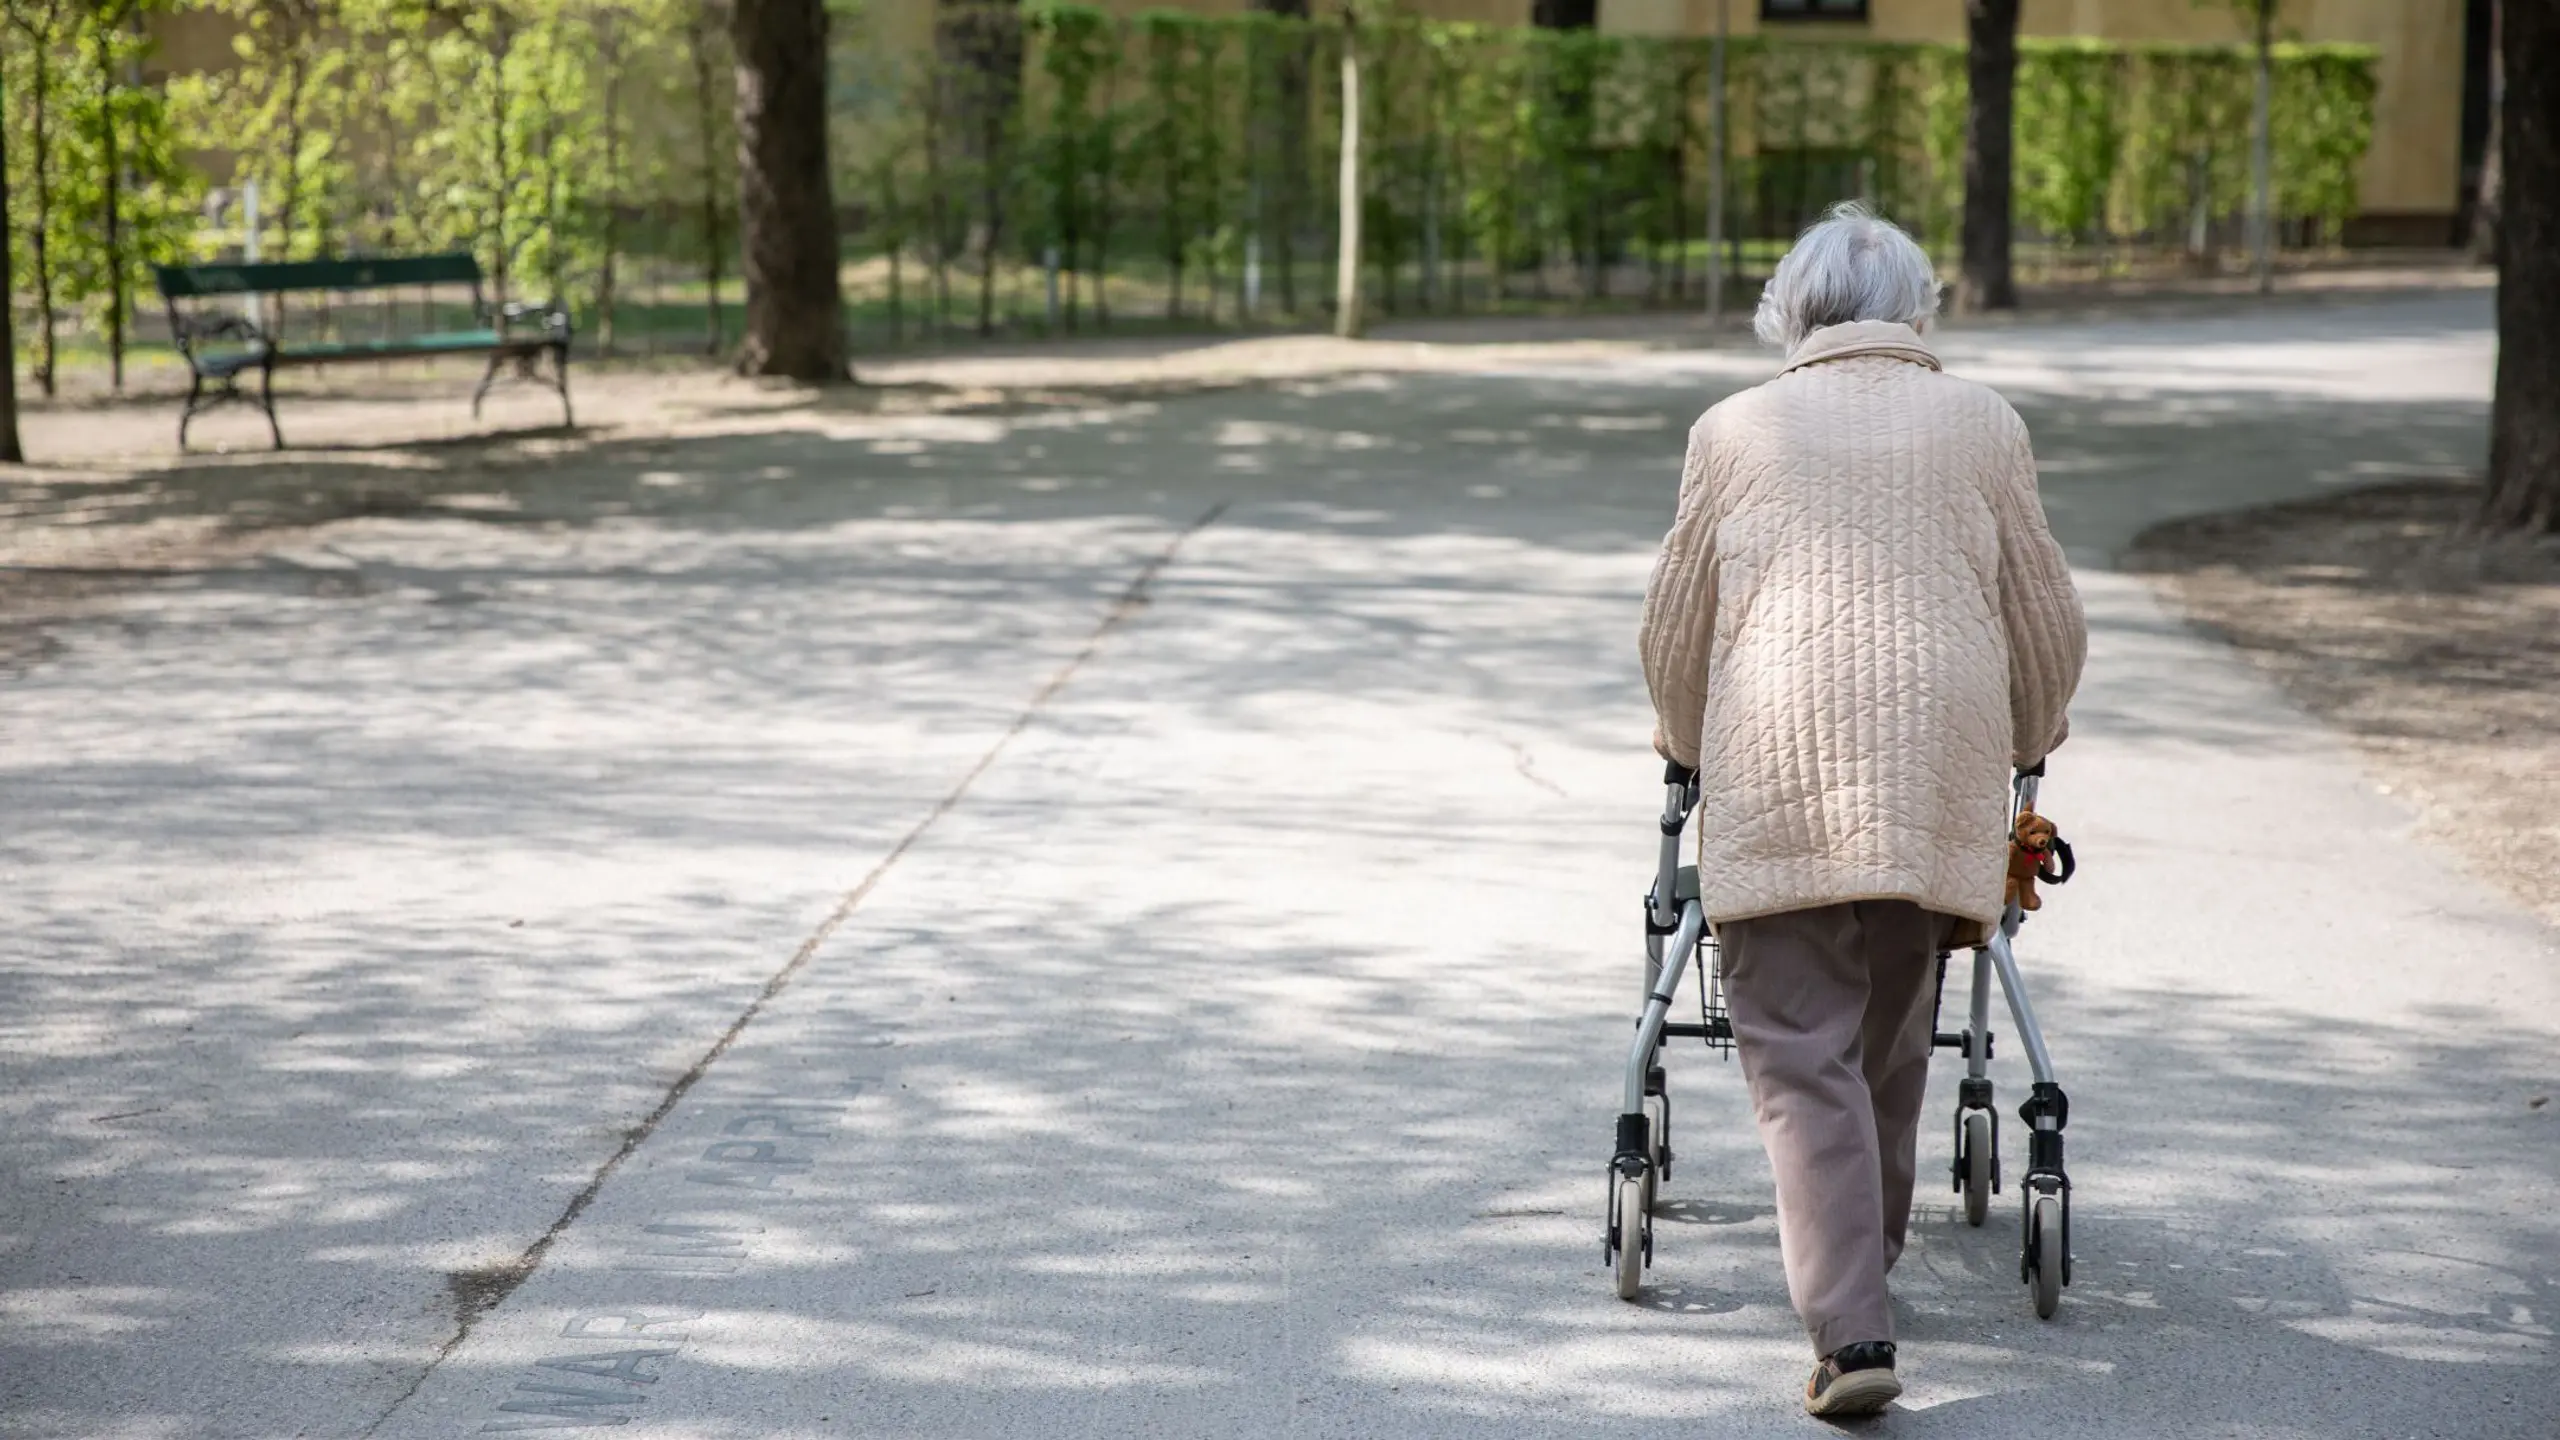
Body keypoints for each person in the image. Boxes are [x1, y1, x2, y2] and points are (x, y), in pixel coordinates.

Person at [1638, 203, 2086, 1418]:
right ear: (1917, 307)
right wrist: (2031, 737)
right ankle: (1863, 1279)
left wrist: (1683, 749)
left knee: (1795, 1052)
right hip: (1937, 756)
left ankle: (1851, 1332)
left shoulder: (1732, 427)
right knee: (1889, 1038)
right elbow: (2043, 616)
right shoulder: (1983, 424)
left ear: (1790, 312)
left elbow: (1678, 631)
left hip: (1774, 753)